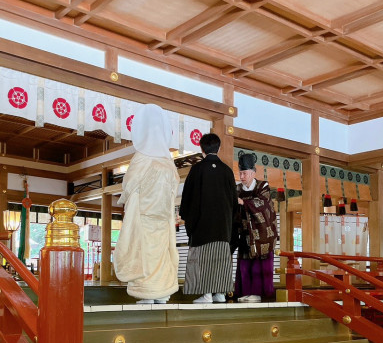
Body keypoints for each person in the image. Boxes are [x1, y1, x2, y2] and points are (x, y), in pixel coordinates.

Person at [113, 104, 180, 304]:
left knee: (142, 252)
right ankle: (162, 292)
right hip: (162, 215)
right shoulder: (168, 162)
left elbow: (129, 185)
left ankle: (146, 292)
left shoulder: (141, 158)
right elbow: (173, 188)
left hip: (143, 214)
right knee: (161, 251)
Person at [179, 133, 237, 303]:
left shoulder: (197, 169)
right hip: (222, 227)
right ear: (219, 148)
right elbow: (234, 201)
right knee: (220, 258)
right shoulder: (227, 171)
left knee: (203, 258)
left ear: (201, 148)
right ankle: (220, 293)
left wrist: (187, 218)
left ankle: (206, 295)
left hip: (202, 227)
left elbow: (187, 198)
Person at [234, 153, 278, 303]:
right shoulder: (238, 188)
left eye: (244, 173)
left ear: (253, 173)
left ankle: (258, 294)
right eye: (240, 173)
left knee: (258, 267)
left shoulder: (262, 186)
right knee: (245, 266)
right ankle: (245, 292)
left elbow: (263, 204)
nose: (242, 176)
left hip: (262, 234)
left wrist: (243, 202)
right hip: (245, 232)